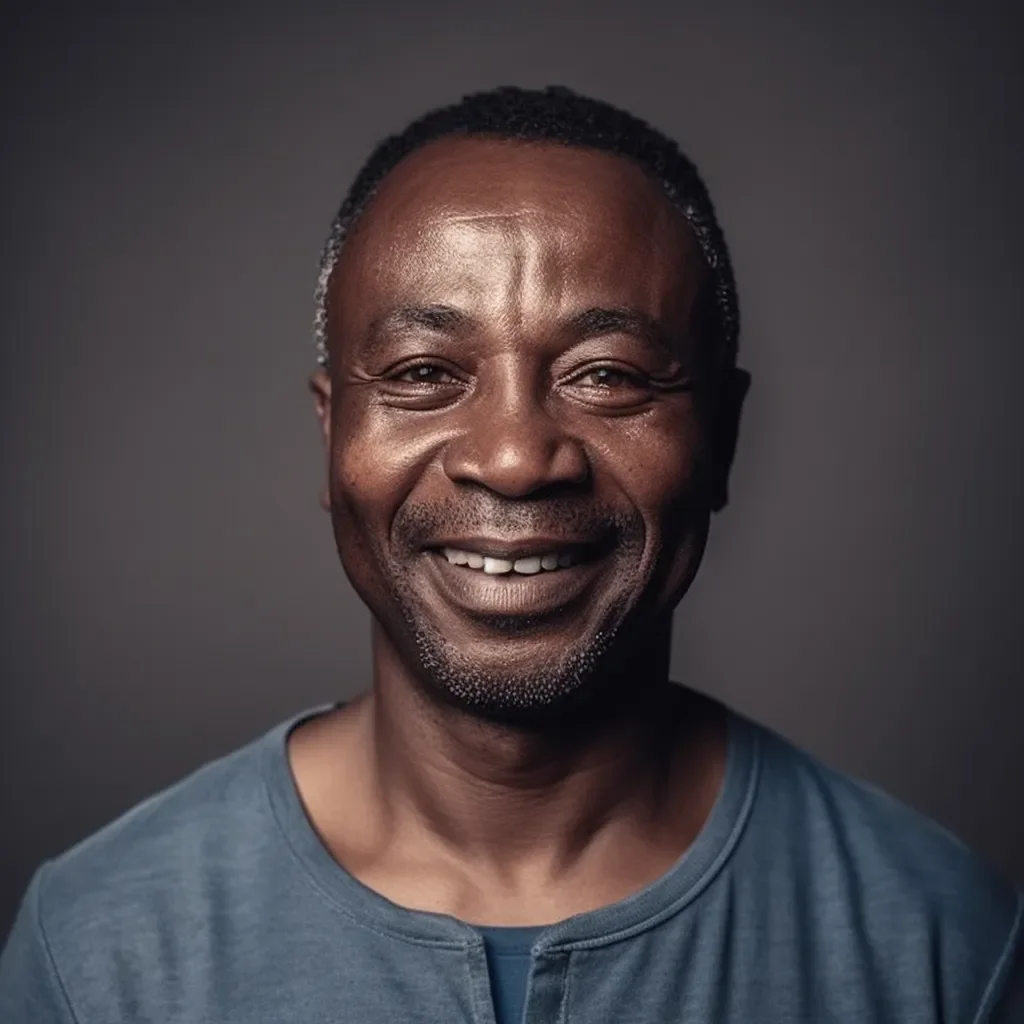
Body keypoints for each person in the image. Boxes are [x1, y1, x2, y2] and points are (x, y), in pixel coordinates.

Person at [1, 85, 1020, 1024]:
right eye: (423, 371)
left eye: (606, 376)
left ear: (721, 438)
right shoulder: (99, 953)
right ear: (331, 436)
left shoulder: (943, 948)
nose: (514, 457)